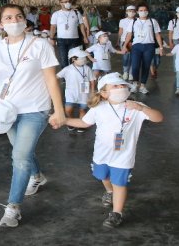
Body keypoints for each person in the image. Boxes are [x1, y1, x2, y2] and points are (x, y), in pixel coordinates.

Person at [0, 4, 65, 228]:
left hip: (34, 109)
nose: (14, 20)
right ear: (0, 24)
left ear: (25, 20)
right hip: (6, 109)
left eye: (18, 16)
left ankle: (13, 208)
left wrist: (59, 110)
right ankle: (37, 175)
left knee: (19, 157)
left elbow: (51, 79)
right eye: (8, 18)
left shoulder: (40, 45)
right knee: (22, 150)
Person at [63, 72, 163, 228]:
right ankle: (109, 192)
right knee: (103, 176)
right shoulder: (98, 108)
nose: (121, 88)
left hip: (123, 157)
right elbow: (84, 123)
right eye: (115, 86)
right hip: (101, 155)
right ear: (104, 93)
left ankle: (117, 213)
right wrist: (65, 121)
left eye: (123, 85)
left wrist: (140, 108)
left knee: (119, 183)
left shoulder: (136, 107)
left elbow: (158, 118)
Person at [121, 4, 165, 94]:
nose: (143, 12)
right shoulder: (133, 22)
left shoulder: (152, 21)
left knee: (146, 66)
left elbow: (157, 34)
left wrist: (161, 47)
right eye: (141, 10)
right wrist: (125, 45)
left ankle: (143, 85)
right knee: (135, 66)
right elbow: (129, 34)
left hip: (149, 46)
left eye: (145, 10)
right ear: (137, 12)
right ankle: (135, 83)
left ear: (148, 11)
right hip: (136, 46)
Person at [57, 47, 95, 133]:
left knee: (83, 109)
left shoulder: (87, 68)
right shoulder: (67, 69)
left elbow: (92, 80)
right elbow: (57, 77)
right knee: (68, 109)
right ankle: (70, 122)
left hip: (84, 93)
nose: (84, 59)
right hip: (71, 93)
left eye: (84, 57)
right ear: (73, 59)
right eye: (82, 57)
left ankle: (81, 124)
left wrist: (92, 92)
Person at [50, 0, 87, 68]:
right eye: (65, 2)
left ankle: (73, 77)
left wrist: (85, 37)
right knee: (63, 60)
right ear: (60, 3)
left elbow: (81, 25)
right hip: (61, 40)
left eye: (69, 1)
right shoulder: (56, 14)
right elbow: (53, 27)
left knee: (73, 59)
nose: (68, 3)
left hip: (74, 39)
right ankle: (65, 78)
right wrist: (51, 38)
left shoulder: (76, 12)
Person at [117, 6, 136, 81]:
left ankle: (131, 73)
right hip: (124, 40)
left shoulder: (137, 20)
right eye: (129, 11)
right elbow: (120, 31)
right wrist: (118, 41)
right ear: (126, 12)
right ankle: (125, 72)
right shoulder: (122, 21)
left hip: (134, 41)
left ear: (135, 12)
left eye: (133, 11)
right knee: (125, 57)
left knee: (133, 57)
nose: (131, 12)